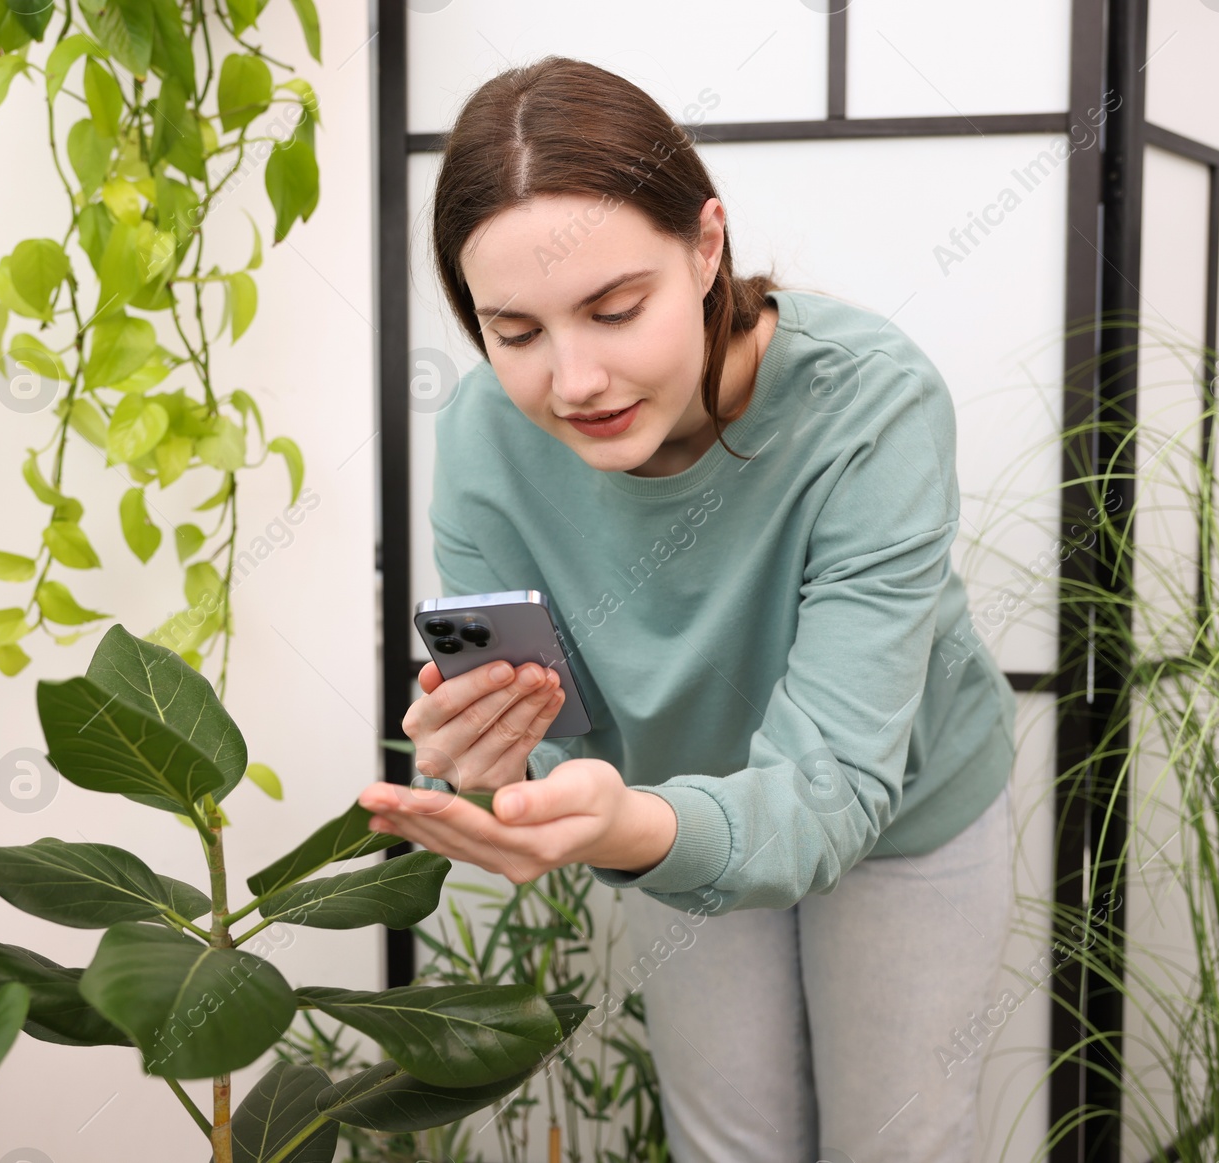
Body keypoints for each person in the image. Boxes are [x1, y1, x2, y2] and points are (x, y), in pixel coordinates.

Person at [357, 55, 1019, 1163]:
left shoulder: (871, 403)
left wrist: (619, 822)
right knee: (730, 1142)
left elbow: (837, 782)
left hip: (898, 808)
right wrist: (489, 765)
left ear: (705, 246)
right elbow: (528, 717)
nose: (572, 381)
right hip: (670, 809)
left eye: (615, 310)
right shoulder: (483, 434)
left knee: (899, 1141)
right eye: (514, 332)